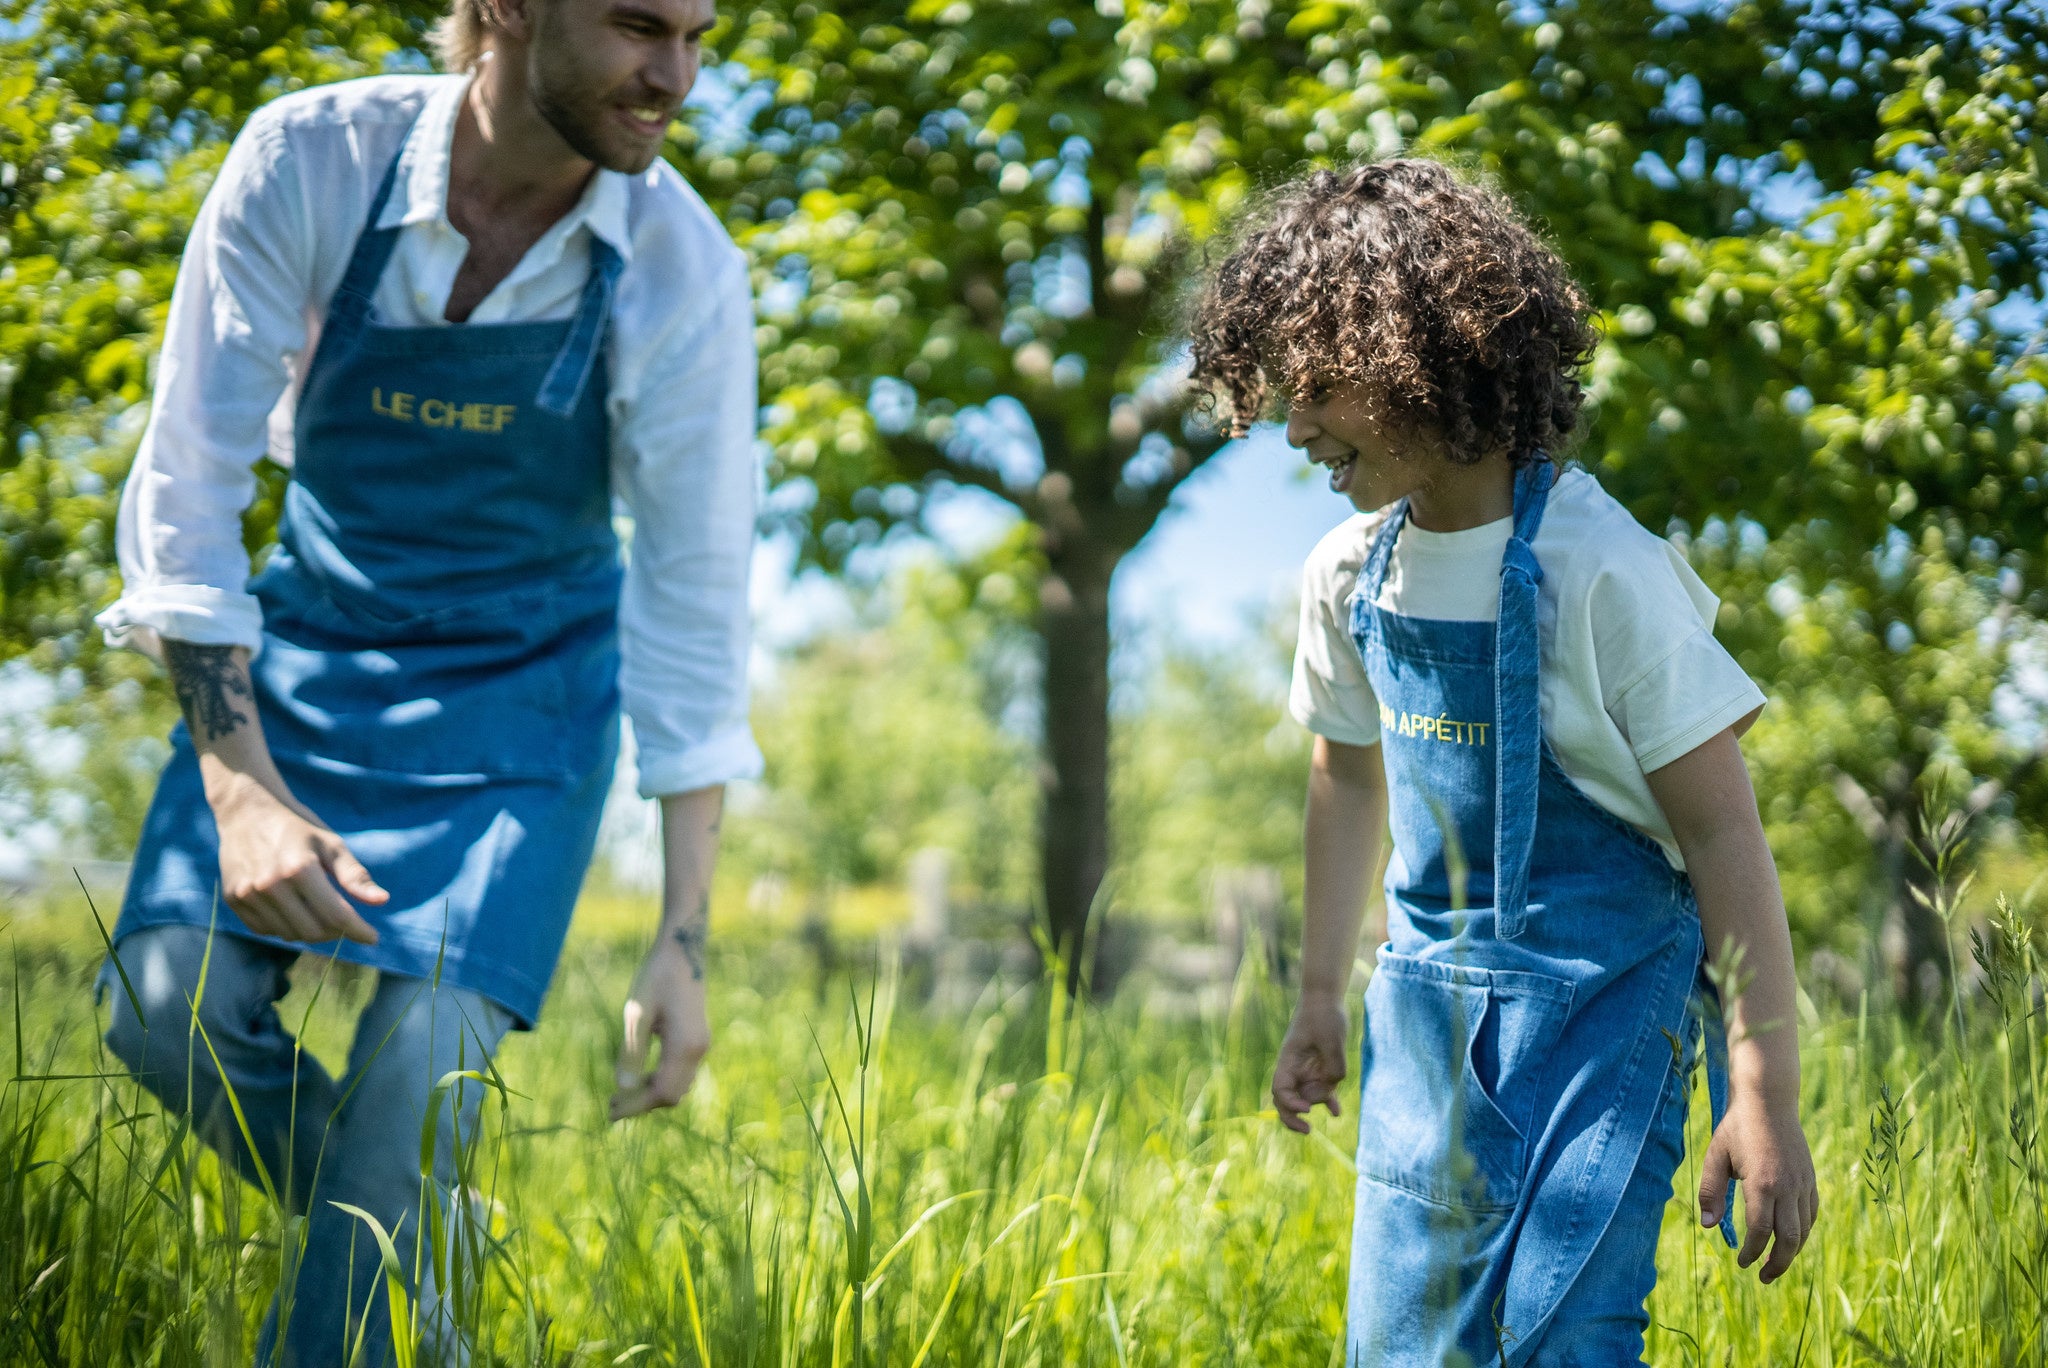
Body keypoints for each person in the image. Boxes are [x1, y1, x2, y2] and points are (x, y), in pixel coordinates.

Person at [92, 0, 758, 1362]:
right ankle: (413, 1237)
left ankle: (391, 1221)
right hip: (308, 666)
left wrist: (681, 937)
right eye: (640, 27)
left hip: (526, 708)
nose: (675, 77)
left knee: (415, 1084)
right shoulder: (309, 163)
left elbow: (695, 601)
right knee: (161, 1015)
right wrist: (241, 788)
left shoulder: (680, 268)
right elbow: (192, 487)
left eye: (699, 36)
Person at [1186, 159, 1818, 1366]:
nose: (1289, 420)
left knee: (1562, 1334)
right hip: (1423, 1014)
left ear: (1419, 356)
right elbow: (1347, 775)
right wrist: (1319, 993)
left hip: (1600, 1002)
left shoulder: (1598, 570)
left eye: (1316, 383)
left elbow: (1722, 834)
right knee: (1403, 1341)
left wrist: (1763, 1092)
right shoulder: (1345, 575)